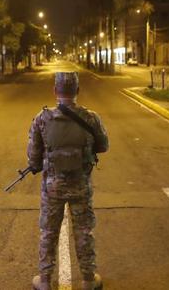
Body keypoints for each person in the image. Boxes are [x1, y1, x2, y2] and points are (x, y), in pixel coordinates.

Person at [28, 72, 109, 290]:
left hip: (52, 187)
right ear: (77, 91)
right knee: (84, 231)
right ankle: (89, 280)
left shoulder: (42, 119)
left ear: (55, 91)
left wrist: (39, 163)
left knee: (49, 232)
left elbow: (33, 156)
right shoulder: (91, 117)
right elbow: (103, 146)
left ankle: (44, 281)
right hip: (81, 185)